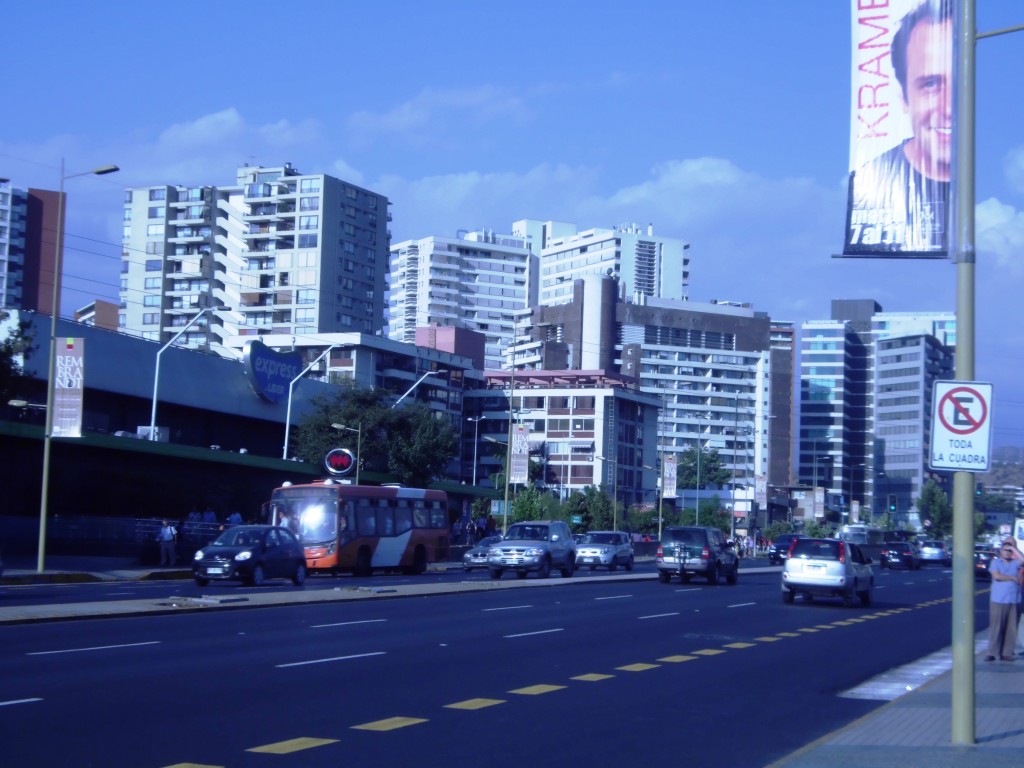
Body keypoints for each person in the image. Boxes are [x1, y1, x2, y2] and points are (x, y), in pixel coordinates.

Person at [846, 0, 952, 255]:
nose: (949, 107)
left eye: (961, 81)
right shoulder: (872, 178)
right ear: (903, 98)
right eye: (930, 84)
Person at [985, 540, 1022, 662]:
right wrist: (1012, 577)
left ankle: (1006, 653)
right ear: (1000, 551)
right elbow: (997, 576)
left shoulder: (1015, 563)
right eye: (1005, 550)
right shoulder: (995, 562)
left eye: (1009, 551)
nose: (1007, 553)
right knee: (996, 626)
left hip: (1013, 599)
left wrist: (1014, 549)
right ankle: (992, 652)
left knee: (1011, 628)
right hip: (999, 599)